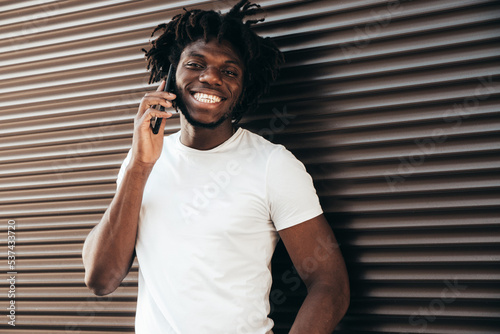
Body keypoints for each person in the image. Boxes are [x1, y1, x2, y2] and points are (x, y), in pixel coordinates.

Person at [82, 1, 349, 333]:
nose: (210, 77)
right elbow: (101, 279)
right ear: (169, 76)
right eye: (195, 64)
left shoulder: (273, 165)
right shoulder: (142, 160)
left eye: (229, 71)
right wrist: (139, 165)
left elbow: (330, 284)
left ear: (241, 89)